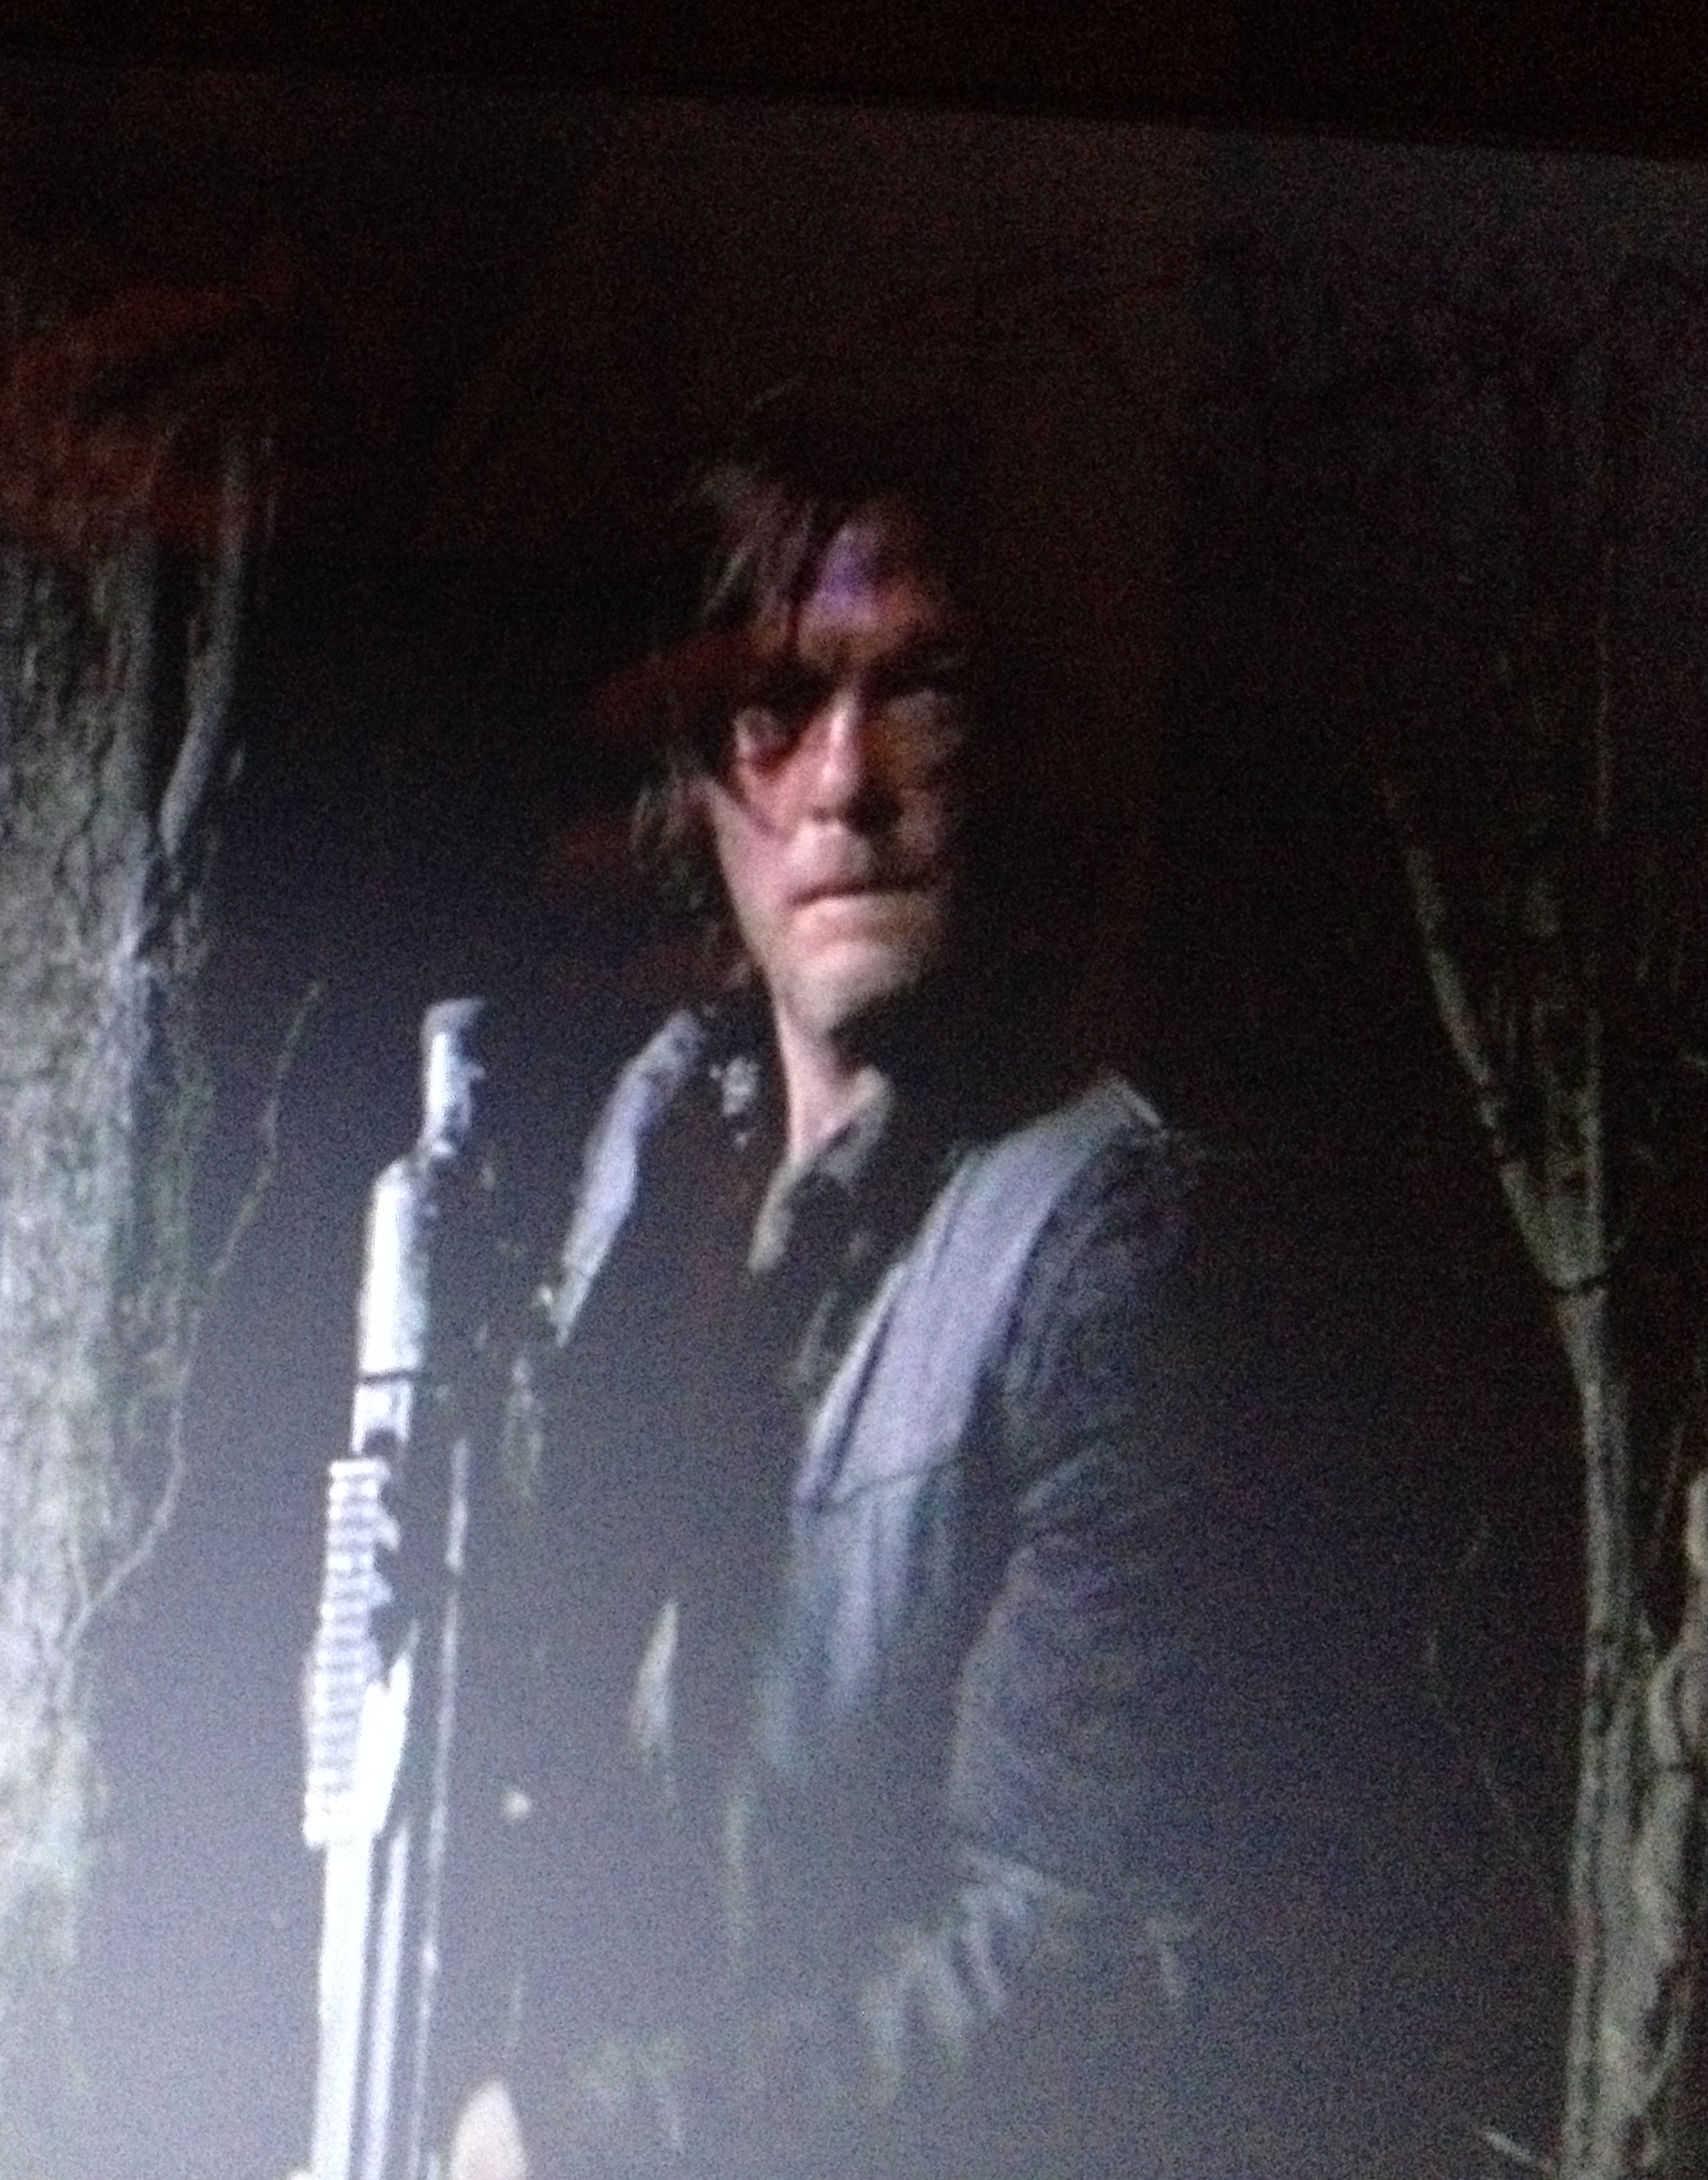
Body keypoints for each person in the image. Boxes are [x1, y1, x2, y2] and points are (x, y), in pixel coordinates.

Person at [441, 410, 1290, 2180]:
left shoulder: (1103, 1248)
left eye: (917, 694)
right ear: (703, 783)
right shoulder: (646, 1165)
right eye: (778, 703)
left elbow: (1071, 1956)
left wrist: (596, 2141)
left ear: (1006, 756)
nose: (842, 780)